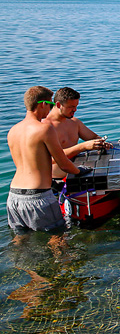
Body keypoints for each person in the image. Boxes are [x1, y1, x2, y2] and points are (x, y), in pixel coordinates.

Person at [6, 86, 81, 233]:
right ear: (42, 104)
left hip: (13, 197)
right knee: (58, 239)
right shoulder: (44, 129)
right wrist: (79, 171)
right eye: (51, 105)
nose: (51, 109)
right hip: (38, 197)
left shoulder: (13, 130)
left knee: (20, 242)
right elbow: (63, 163)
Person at [44, 87, 112, 178]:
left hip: (78, 174)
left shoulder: (74, 122)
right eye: (71, 107)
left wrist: (101, 143)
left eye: (76, 106)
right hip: (56, 180)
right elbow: (50, 159)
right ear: (59, 105)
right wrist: (82, 147)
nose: (75, 110)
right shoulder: (45, 127)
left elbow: (93, 137)